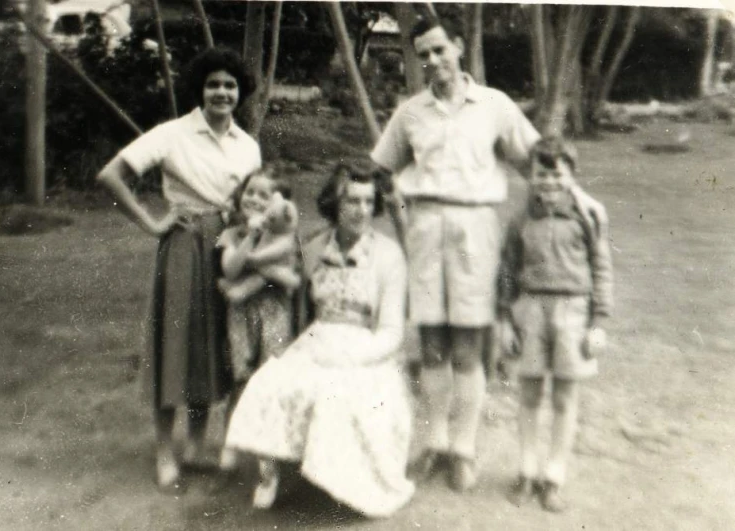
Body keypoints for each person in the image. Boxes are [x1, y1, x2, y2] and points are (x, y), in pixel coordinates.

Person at [370, 17, 540, 491]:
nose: (432, 61)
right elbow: (381, 169)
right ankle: (435, 443)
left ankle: (463, 449)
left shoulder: (494, 105)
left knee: (467, 347)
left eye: (439, 50)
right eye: (423, 54)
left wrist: (527, 222)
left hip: (476, 229)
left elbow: (536, 161)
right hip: (425, 229)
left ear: (460, 47)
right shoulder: (411, 113)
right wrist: (401, 214)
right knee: (431, 346)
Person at [96, 46, 261, 491]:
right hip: (185, 244)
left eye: (230, 85)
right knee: (175, 346)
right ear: (200, 89)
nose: (221, 92)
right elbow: (111, 175)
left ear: (240, 91)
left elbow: (253, 200)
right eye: (213, 84)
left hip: (227, 249)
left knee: (211, 347)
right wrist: (154, 223)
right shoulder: (172, 134)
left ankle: (193, 446)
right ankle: (165, 452)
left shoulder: (248, 146)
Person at [224, 163, 414, 517]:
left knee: (338, 395)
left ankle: (341, 480)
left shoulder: (388, 256)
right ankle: (274, 472)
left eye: (368, 201)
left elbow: (392, 332)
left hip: (367, 349)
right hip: (316, 341)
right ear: (334, 204)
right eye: (352, 201)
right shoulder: (314, 248)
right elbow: (294, 297)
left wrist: (353, 357)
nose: (361, 210)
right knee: (271, 382)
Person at [497, 136, 614, 512]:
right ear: (531, 176)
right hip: (530, 309)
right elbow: (507, 272)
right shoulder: (520, 218)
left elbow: (601, 269)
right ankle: (527, 471)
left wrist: (598, 322)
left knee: (564, 397)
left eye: (557, 175)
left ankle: (554, 477)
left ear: (571, 176)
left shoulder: (588, 214)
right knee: (529, 393)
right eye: (541, 175)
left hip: (573, 312)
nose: (549, 183)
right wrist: (504, 319)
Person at [215, 168, 298, 471]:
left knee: (272, 380)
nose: (254, 198)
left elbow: (291, 280)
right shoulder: (231, 234)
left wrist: (258, 267)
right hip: (241, 317)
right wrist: (251, 234)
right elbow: (230, 270)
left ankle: (269, 457)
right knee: (241, 379)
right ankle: (231, 445)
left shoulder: (284, 235)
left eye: (265, 195)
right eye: (250, 191)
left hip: (274, 313)